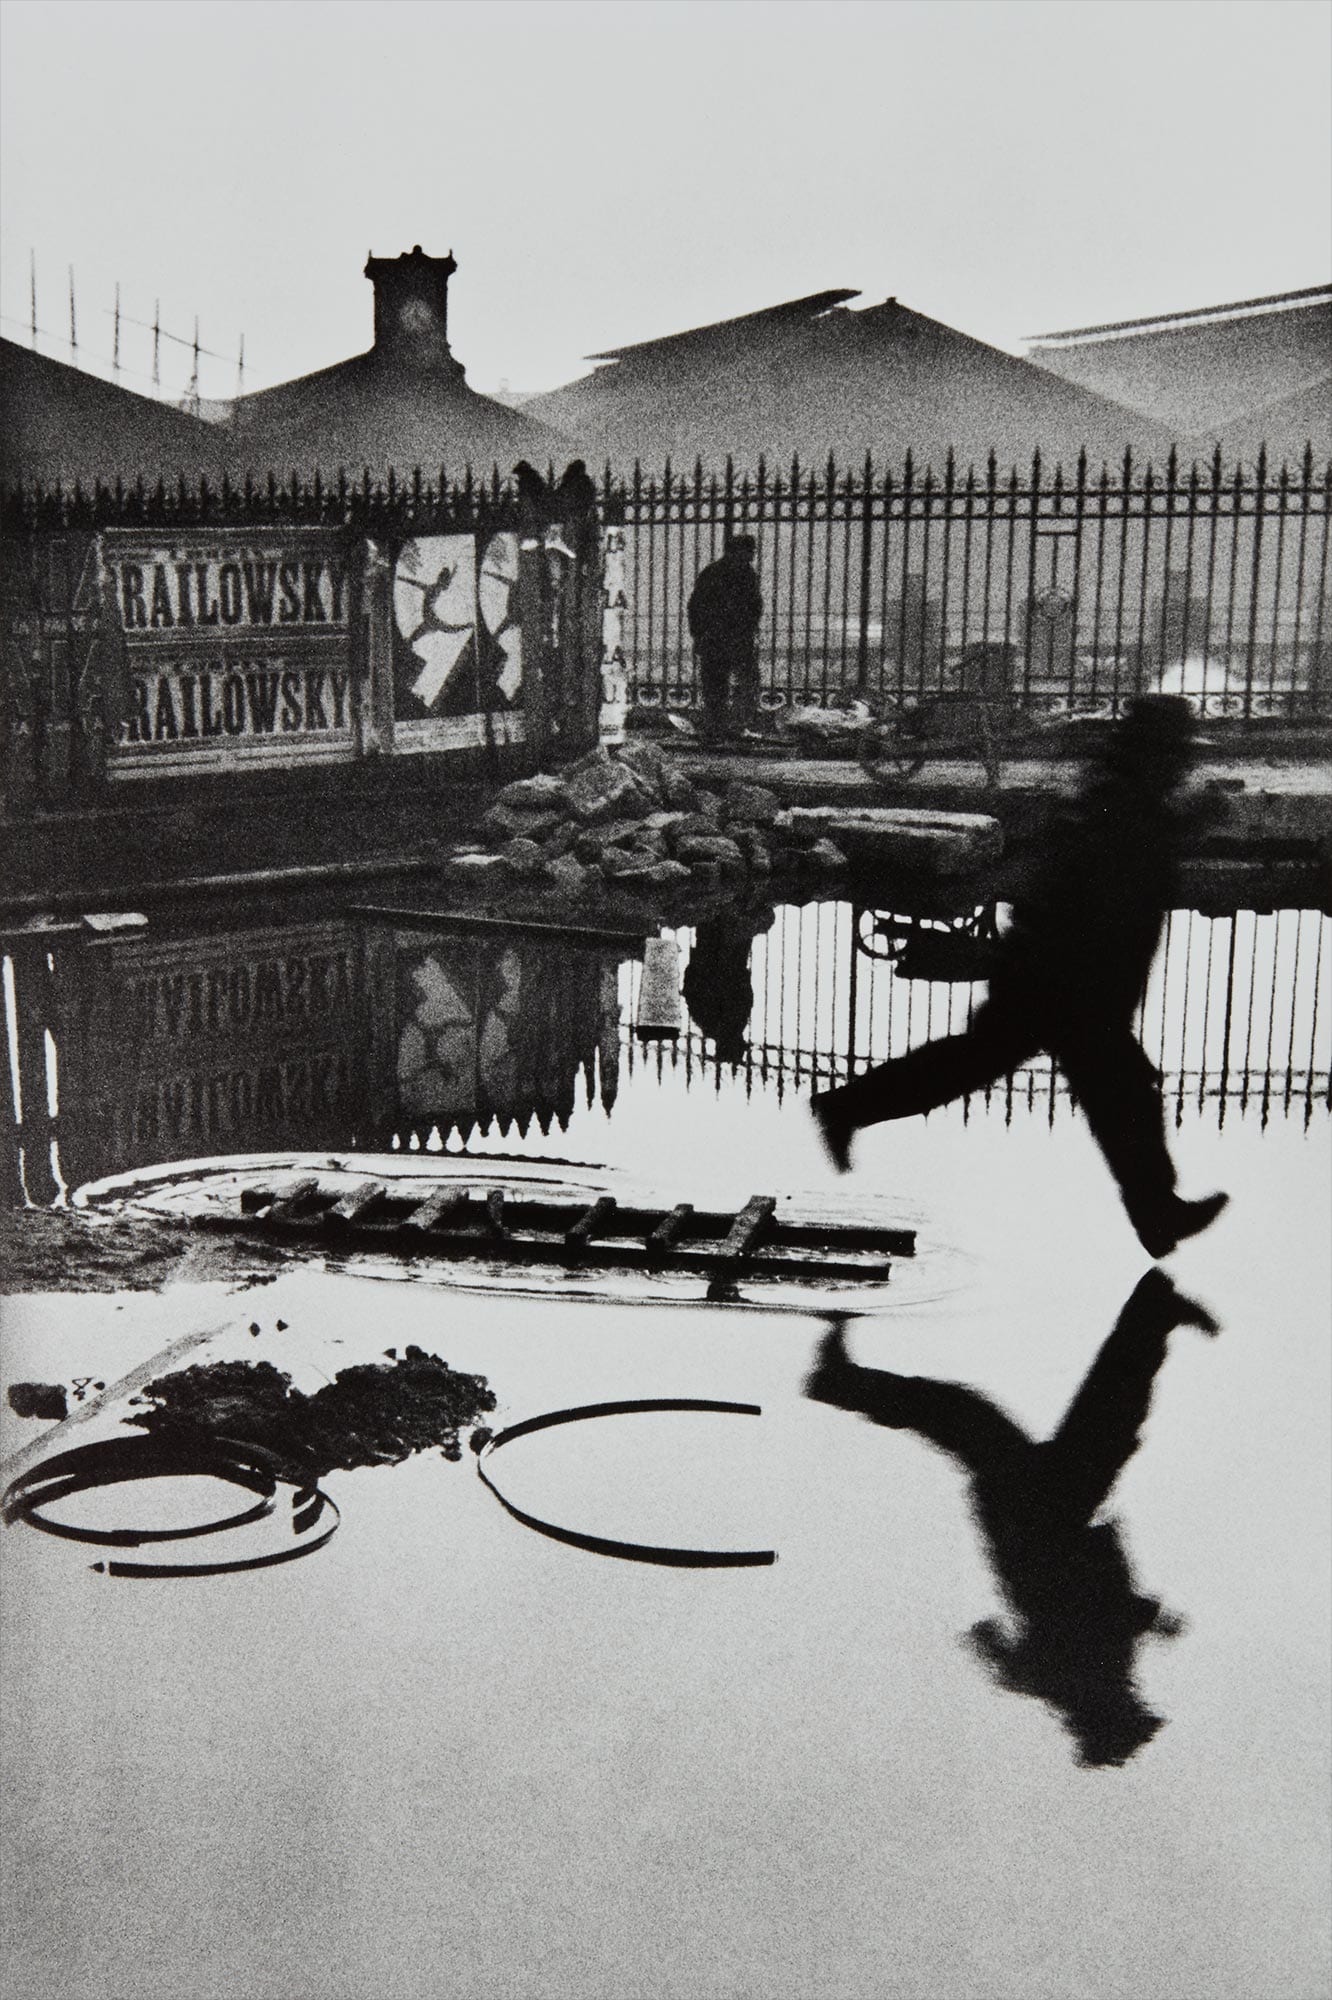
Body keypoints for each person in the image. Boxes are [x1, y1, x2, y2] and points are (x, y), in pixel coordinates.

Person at [811, 695, 1228, 1259]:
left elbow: (1115, 862)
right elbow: (1112, 878)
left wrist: (1181, 827)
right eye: (1178, 753)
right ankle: (1156, 1212)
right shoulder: (1123, 804)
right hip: (1066, 983)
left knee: (1002, 1068)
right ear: (1159, 754)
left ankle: (1157, 1211)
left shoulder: (1120, 797)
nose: (1183, 765)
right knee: (1115, 1091)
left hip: (1061, 979)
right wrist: (1186, 826)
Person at [804, 1271, 1220, 1767]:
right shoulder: (1075, 1679)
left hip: (1040, 1521)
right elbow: (1013, 1642)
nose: (1138, 1699)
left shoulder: (1082, 1678)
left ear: (1112, 1712)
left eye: (1133, 1710)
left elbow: (1091, 1616)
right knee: (1085, 1415)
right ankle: (1154, 1312)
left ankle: (836, 1380)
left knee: (1016, 1417)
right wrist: (1143, 1621)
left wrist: (1150, 1619)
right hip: (1045, 1519)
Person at [687, 535, 763, 740]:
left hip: (718, 639)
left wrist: (699, 635)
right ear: (738, 552)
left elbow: (694, 607)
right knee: (742, 682)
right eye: (749, 551)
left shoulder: (712, 572)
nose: (752, 555)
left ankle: (718, 727)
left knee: (717, 685)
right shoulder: (744, 574)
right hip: (731, 638)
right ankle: (735, 726)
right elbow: (754, 606)